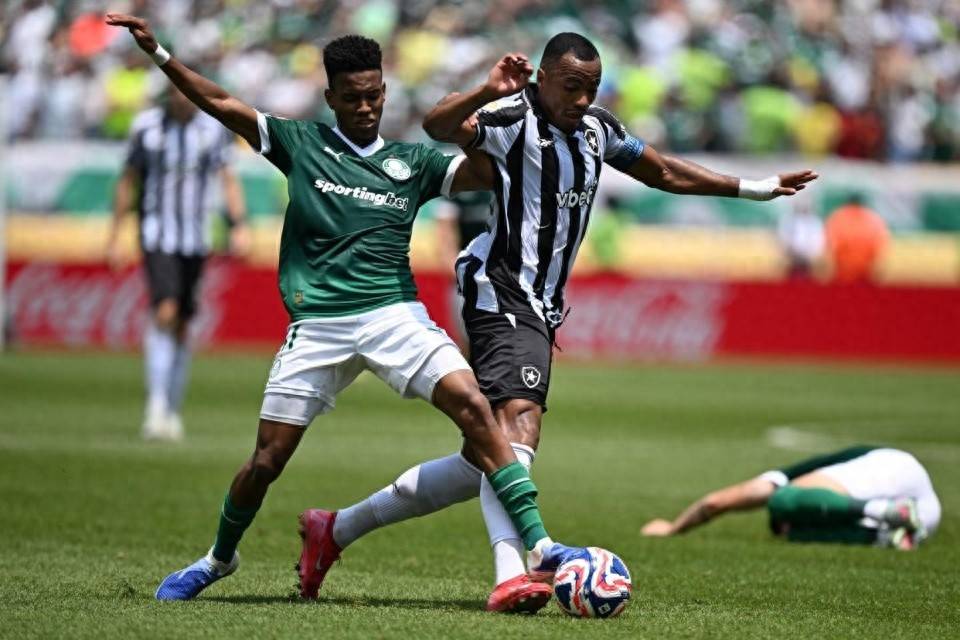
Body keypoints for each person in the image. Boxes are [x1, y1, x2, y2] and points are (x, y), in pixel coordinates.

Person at [307, 33, 818, 613]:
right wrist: (486, 90)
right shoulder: (511, 118)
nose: (582, 99)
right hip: (501, 288)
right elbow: (438, 125)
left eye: (591, 88)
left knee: (482, 460)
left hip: (542, 304)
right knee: (518, 425)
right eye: (572, 87)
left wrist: (753, 188)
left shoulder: (599, 129)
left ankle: (335, 529)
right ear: (544, 78)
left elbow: (664, 173)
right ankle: (514, 572)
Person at [106, 14, 584, 607]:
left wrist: (514, 103)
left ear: (385, 92)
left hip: (393, 314)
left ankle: (539, 547)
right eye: (353, 98)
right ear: (330, 97)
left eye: (375, 95)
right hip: (318, 325)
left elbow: (499, 169)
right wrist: (160, 55)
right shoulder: (300, 144)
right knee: (266, 460)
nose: (365, 108)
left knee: (474, 407)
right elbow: (222, 103)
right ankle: (218, 559)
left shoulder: (414, 162)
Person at [106, 84, 249, 441]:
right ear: (168, 95)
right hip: (158, 234)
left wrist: (238, 225)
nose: (183, 98)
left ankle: (171, 407)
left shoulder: (211, 129)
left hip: (196, 238)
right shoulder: (147, 127)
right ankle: (155, 406)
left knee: (184, 323)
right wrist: (116, 234)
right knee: (165, 310)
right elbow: (128, 180)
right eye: (176, 92)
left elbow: (228, 178)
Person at [641, 445, 940, 550]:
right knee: (797, 532)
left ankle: (884, 511)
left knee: (782, 500)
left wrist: (673, 528)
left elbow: (716, 502)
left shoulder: (785, 476)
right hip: (928, 515)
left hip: (891, 468)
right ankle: (887, 535)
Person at [824, 193, 890, 283]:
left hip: (844, 271)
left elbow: (831, 245)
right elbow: (880, 244)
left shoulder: (838, 217)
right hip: (867, 270)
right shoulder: (873, 218)